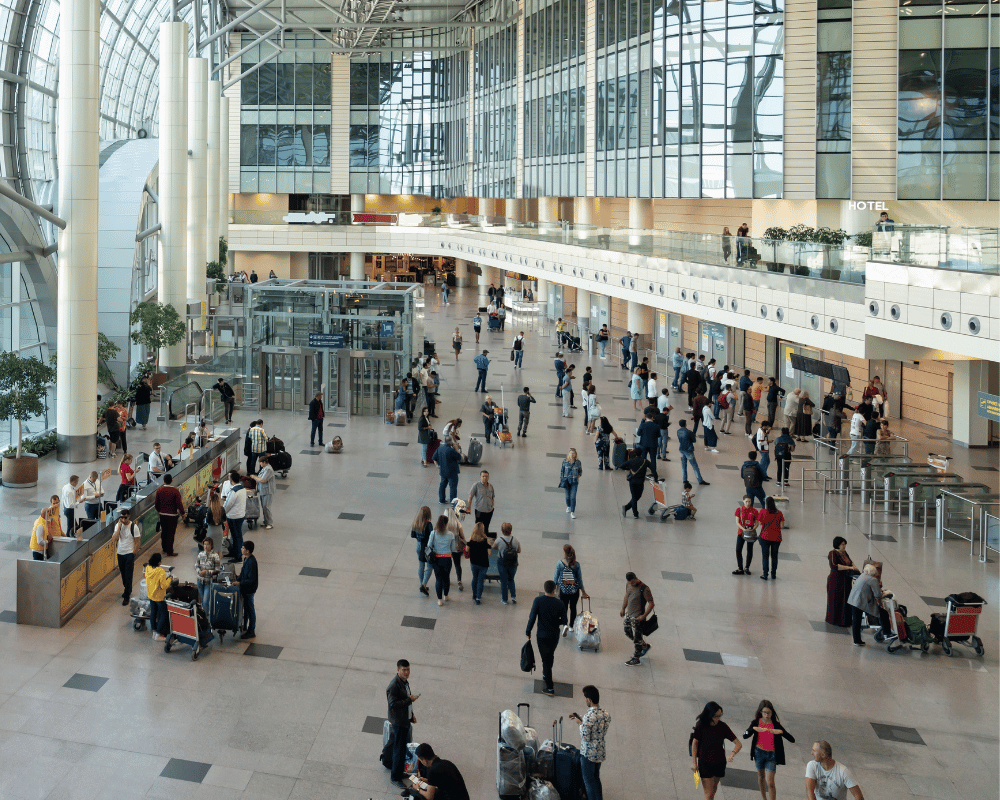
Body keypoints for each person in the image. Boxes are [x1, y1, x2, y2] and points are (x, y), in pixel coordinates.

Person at [743, 699, 795, 800]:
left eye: (769, 712)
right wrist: (753, 729)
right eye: (765, 712)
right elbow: (745, 735)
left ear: (772, 713)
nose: (767, 715)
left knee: (770, 782)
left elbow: (792, 739)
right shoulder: (756, 722)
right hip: (759, 753)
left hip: (772, 755)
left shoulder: (775, 724)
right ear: (760, 712)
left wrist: (780, 732)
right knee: (761, 777)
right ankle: (764, 798)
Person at [690, 701, 741, 799]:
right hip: (705, 762)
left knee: (713, 792)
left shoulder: (723, 726)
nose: (718, 718)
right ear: (709, 715)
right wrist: (694, 763)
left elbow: (738, 744)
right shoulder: (701, 725)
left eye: (720, 715)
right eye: (716, 716)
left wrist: (732, 754)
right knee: (708, 795)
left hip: (719, 763)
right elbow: (695, 743)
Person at [568, 685, 610, 800]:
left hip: (588, 754)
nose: (585, 700)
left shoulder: (588, 718)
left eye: (585, 698)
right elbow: (596, 726)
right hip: (600, 751)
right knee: (596, 778)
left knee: (588, 782)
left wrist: (579, 723)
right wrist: (580, 717)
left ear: (589, 700)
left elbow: (585, 737)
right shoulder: (605, 714)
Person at [525, 580, 567, 695]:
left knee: (546, 660)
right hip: (554, 636)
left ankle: (550, 687)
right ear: (554, 590)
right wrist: (555, 621)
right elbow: (564, 620)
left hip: (542, 636)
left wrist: (528, 630)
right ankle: (546, 674)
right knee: (549, 656)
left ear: (545, 589)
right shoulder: (560, 603)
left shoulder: (538, 601)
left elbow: (532, 617)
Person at [385, 659, 420, 790]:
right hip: (399, 722)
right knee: (399, 750)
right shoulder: (393, 686)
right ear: (398, 670)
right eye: (404, 670)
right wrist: (408, 700)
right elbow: (393, 704)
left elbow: (406, 700)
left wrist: (411, 715)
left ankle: (399, 771)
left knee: (401, 747)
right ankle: (395, 777)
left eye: (408, 670)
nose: (406, 672)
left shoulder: (404, 682)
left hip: (405, 719)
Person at [825, 536, 860, 627]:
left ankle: (845, 620)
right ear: (837, 545)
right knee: (836, 600)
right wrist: (850, 568)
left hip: (846, 581)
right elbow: (835, 566)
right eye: (842, 544)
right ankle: (835, 620)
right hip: (836, 581)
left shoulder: (844, 553)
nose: (844, 546)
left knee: (846, 600)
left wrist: (855, 568)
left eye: (844, 544)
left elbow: (851, 562)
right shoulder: (832, 553)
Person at [621, 572, 654, 665]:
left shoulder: (644, 589)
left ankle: (636, 658)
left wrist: (643, 616)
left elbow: (651, 604)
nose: (632, 584)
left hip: (638, 617)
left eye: (633, 582)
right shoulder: (628, 585)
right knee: (627, 631)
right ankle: (644, 646)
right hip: (629, 614)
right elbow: (627, 596)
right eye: (630, 582)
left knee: (637, 638)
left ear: (636, 578)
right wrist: (623, 608)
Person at [554, 544, 588, 634]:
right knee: (573, 608)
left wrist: (554, 588)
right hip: (574, 591)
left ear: (564, 552)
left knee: (564, 608)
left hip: (563, 591)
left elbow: (556, 577)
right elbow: (579, 579)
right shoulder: (576, 565)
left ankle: (564, 624)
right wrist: (583, 592)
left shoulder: (560, 563)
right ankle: (571, 626)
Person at [111, 508, 141, 605]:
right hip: (120, 553)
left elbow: (138, 542)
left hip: (129, 554)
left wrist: (133, 553)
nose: (123, 520)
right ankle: (127, 589)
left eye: (125, 518)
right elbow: (114, 539)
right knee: (123, 574)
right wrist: (119, 527)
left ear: (129, 516)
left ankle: (127, 594)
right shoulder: (118, 525)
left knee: (128, 575)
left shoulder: (134, 527)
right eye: (121, 518)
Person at [847, 563, 881, 646]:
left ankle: (856, 640)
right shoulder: (872, 580)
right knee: (880, 613)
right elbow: (878, 595)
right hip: (860, 602)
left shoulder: (862, 576)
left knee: (856, 620)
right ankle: (884, 630)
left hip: (853, 600)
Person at [426, 515, 455, 606]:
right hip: (447, 559)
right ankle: (446, 595)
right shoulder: (451, 534)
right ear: (446, 523)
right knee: (446, 578)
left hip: (436, 560)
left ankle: (439, 600)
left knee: (438, 579)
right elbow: (453, 549)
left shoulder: (433, 533)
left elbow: (429, 545)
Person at [231, 540, 258, 638]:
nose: (241, 549)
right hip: (245, 588)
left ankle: (251, 630)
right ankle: (245, 627)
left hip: (249, 590)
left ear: (248, 551)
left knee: (250, 610)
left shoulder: (251, 562)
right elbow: (243, 573)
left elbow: (251, 579)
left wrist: (239, 583)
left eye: (243, 548)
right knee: (246, 608)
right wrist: (237, 578)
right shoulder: (246, 559)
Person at [144, 552, 172, 641]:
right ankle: (158, 634)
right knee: (163, 615)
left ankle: (154, 631)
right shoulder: (161, 571)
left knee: (153, 613)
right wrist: (169, 580)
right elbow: (164, 586)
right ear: (159, 562)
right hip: (160, 597)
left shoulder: (148, 568)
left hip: (151, 595)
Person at [154, 473, 183, 557]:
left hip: (162, 515)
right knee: (171, 533)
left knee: (164, 532)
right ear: (172, 480)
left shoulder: (159, 490)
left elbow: (156, 504)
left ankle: (164, 548)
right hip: (172, 516)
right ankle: (170, 551)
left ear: (163, 481)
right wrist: (182, 512)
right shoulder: (175, 491)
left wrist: (160, 511)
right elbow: (179, 504)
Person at [492, 522, 520, 604]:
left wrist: (500, 548)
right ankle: (513, 597)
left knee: (503, 581)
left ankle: (504, 599)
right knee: (511, 579)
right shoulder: (515, 539)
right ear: (511, 530)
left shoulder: (499, 540)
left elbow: (493, 547)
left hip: (502, 562)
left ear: (502, 530)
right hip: (513, 562)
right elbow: (519, 550)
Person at [757, 496, 784, 581]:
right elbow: (782, 526)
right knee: (774, 556)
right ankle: (773, 574)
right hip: (776, 538)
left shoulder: (763, 512)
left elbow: (760, 522)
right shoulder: (779, 513)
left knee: (765, 556)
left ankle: (765, 574)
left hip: (765, 537)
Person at [222, 470, 247, 563]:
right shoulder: (242, 489)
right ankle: (234, 552)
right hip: (240, 515)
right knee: (236, 535)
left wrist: (222, 513)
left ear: (231, 480)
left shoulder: (234, 491)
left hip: (233, 517)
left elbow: (228, 504)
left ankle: (238, 556)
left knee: (236, 537)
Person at [676, 419, 710, 486]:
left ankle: (684, 479)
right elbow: (694, 440)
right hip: (688, 450)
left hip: (681, 449)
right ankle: (700, 480)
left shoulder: (678, 431)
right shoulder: (689, 432)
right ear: (685, 424)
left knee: (683, 465)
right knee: (694, 466)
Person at [620, 451, 652, 519]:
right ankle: (635, 513)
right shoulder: (645, 461)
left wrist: (630, 469)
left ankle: (626, 507)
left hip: (632, 482)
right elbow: (653, 469)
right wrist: (656, 477)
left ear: (634, 454)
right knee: (637, 497)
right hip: (640, 482)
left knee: (635, 497)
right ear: (642, 454)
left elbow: (621, 466)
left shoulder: (631, 461)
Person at [410, 506, 434, 597]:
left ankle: (421, 584)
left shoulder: (416, 523)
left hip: (419, 545)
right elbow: (431, 537)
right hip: (427, 547)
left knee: (421, 565)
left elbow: (413, 535)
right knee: (430, 565)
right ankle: (424, 584)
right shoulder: (428, 524)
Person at [247, 455, 275, 529]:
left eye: (260, 463)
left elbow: (263, 480)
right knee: (264, 507)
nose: (260, 464)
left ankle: (270, 523)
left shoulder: (269, 469)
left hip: (268, 491)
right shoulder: (264, 469)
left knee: (267, 507)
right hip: (263, 491)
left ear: (265, 462)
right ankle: (266, 522)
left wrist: (254, 477)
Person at [733, 495, 759, 575]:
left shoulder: (754, 511)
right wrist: (743, 528)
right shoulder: (739, 510)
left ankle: (747, 567)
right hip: (741, 533)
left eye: (750, 502)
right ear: (743, 501)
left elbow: (757, 522)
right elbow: (737, 522)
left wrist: (753, 528)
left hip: (750, 533)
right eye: (746, 501)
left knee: (749, 550)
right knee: (738, 549)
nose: (748, 503)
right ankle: (740, 568)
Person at [466, 522, 491, 605]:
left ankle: (474, 594)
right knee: (481, 580)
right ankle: (478, 598)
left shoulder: (471, 538)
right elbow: (489, 553)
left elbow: (466, 549)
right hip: (483, 563)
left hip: (473, 562)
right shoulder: (486, 540)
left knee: (474, 578)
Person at [195, 536, 222, 609]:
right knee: (201, 601)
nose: (206, 546)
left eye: (207, 544)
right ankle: (204, 616)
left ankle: (206, 618)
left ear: (211, 545)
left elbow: (217, 570)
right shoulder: (200, 554)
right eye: (204, 544)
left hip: (208, 582)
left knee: (205, 601)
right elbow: (196, 565)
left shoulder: (215, 556)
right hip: (200, 581)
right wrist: (199, 572)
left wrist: (206, 572)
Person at [467, 470, 496, 537]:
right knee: (478, 528)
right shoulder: (476, 485)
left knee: (486, 528)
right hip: (479, 511)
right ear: (480, 477)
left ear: (488, 477)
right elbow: (470, 497)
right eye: (483, 476)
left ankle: (484, 542)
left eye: (486, 476)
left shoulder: (490, 486)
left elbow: (492, 497)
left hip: (489, 511)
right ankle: (476, 540)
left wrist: (493, 506)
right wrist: (469, 508)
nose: (485, 478)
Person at [445, 504, 466, 592]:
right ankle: (459, 580)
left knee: (447, 564)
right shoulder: (458, 523)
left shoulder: (444, 524)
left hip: (446, 548)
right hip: (456, 547)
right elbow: (462, 536)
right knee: (457, 564)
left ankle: (447, 579)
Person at [433, 438, 461, 505]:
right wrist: (456, 449)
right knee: (453, 487)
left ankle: (441, 500)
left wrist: (437, 466)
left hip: (443, 472)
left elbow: (434, 458)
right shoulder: (451, 450)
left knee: (442, 486)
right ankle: (453, 501)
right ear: (451, 442)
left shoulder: (440, 448)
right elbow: (459, 458)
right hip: (452, 472)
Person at [636, 410, 661, 481]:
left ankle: (642, 472)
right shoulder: (656, 426)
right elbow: (659, 435)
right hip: (653, 445)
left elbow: (638, 434)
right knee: (653, 459)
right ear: (652, 418)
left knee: (643, 458)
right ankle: (653, 473)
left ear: (646, 418)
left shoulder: (643, 425)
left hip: (644, 444)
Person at [560, 448, 583, 519]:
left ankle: (572, 512)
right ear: (569, 454)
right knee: (567, 497)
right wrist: (562, 479)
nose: (572, 454)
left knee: (572, 497)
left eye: (573, 453)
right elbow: (562, 471)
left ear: (576, 454)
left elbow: (580, 471)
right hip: (566, 481)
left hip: (574, 482)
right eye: (571, 453)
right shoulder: (565, 461)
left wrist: (577, 477)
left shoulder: (578, 462)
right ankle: (568, 506)